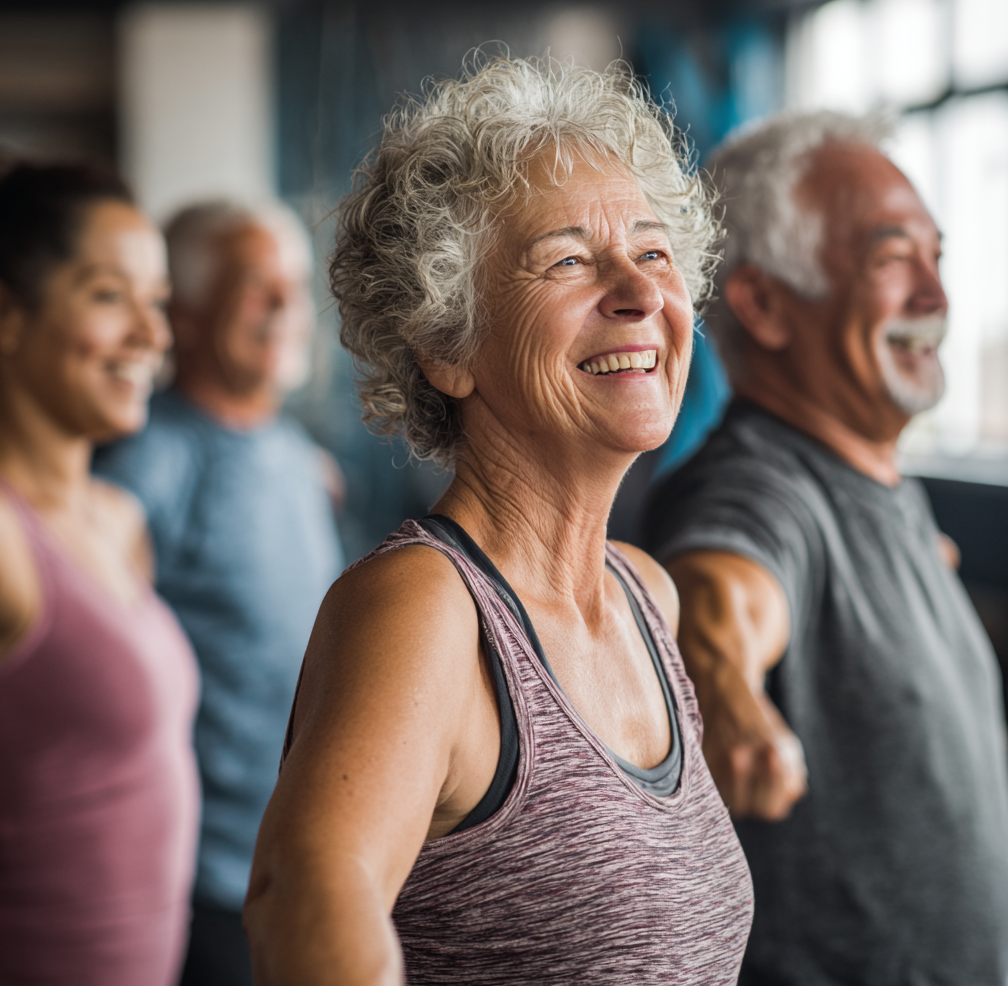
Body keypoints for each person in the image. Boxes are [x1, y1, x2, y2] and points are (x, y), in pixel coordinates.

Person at [243, 57, 754, 986]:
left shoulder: (648, 597)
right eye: (567, 260)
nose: (640, 294)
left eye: (652, 252)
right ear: (447, 344)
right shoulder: (425, 610)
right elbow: (304, 894)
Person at [643, 111, 1008, 984]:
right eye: (891, 260)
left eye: (937, 257)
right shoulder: (754, 487)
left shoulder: (878, 479)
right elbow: (716, 592)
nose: (936, 296)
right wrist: (726, 695)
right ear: (764, 305)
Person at [94, 199, 344, 986]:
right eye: (253, 287)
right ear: (187, 316)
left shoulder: (297, 456)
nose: (284, 309)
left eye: (294, 286)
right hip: (208, 888)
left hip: (302, 866)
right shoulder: (153, 457)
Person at [0, 155, 199, 985]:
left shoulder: (118, 523)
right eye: (110, 298)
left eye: (155, 304)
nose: (152, 338)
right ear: (2, 313)